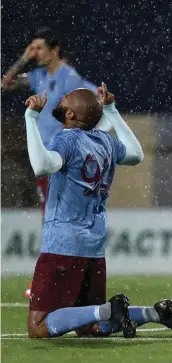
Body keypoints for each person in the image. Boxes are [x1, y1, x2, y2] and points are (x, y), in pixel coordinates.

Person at [24, 83, 172, 338]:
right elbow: (136, 154)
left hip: (63, 242)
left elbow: (41, 166)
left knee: (38, 326)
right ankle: (154, 313)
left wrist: (31, 117)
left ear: (71, 115)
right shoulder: (105, 141)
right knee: (88, 327)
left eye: (66, 99)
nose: (60, 100)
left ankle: (108, 310)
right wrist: (112, 111)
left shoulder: (65, 139)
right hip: (94, 242)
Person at [2, 27, 111, 298]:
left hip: (65, 159)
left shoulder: (70, 78)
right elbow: (4, 83)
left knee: (58, 219)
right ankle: (68, 279)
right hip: (49, 158)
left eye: (38, 48)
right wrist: (23, 58)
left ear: (54, 50)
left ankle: (57, 281)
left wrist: (92, 142)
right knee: (52, 218)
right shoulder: (38, 76)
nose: (34, 52)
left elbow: (96, 105)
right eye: (32, 48)